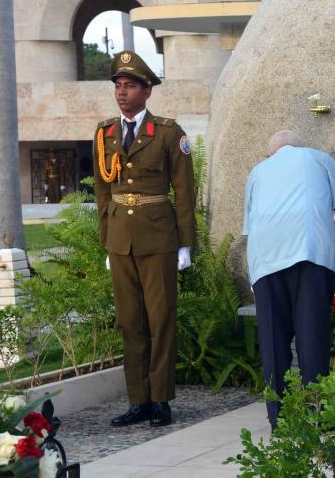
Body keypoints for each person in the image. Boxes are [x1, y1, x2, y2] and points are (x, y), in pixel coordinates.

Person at [93, 50, 196, 427]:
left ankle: (161, 399)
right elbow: (104, 193)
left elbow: (185, 191)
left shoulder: (169, 132)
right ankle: (138, 400)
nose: (122, 92)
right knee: (129, 321)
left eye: (130, 86)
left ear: (147, 91)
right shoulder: (105, 132)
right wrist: (107, 241)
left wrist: (185, 244)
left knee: (161, 319)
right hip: (121, 239)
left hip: (159, 238)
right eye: (118, 86)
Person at [242, 130, 335, 430]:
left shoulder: (258, 172)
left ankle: (277, 418)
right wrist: (329, 235)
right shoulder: (319, 159)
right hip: (310, 254)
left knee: (273, 340)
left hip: (265, 260)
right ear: (299, 147)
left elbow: (249, 227)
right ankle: (317, 413)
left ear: (273, 154)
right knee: (312, 336)